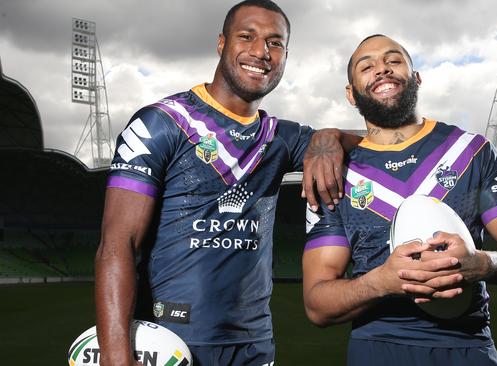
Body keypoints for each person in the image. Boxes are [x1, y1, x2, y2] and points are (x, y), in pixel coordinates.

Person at [94, 1, 357, 365]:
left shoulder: (281, 137)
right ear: (221, 43)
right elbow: (117, 243)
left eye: (274, 42)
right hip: (170, 342)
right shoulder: (162, 123)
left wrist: (331, 136)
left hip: (254, 346)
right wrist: (115, 355)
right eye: (246, 36)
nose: (261, 52)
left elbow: (374, 148)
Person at [302, 34, 497, 366]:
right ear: (351, 93)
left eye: (394, 60)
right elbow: (317, 304)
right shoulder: (333, 171)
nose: (382, 70)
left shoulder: (472, 152)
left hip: (468, 345)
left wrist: (481, 263)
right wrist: (382, 282)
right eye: (367, 66)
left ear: (416, 77)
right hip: (378, 347)